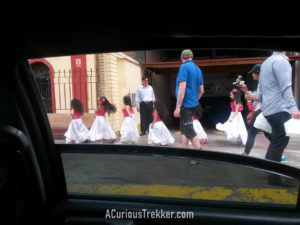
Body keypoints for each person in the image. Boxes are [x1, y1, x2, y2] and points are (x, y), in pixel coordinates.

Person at [258, 51, 300, 162]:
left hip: (269, 109)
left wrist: (263, 105)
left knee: (278, 139)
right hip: (279, 108)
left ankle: (268, 166)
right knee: (280, 140)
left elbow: (260, 88)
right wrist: (294, 108)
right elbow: (286, 86)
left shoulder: (266, 62)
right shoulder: (281, 61)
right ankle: (272, 173)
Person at [174, 49, 204, 149]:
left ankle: (202, 154)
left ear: (181, 58)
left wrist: (178, 107)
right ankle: (185, 153)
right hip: (193, 105)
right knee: (184, 130)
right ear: (192, 57)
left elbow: (182, 88)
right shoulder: (198, 69)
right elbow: (201, 90)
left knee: (190, 132)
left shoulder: (184, 67)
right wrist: (195, 101)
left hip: (185, 106)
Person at [242, 64, 272, 156]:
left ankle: (245, 153)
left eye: (253, 73)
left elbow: (264, 98)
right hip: (264, 110)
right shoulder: (263, 82)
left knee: (252, 132)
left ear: (257, 73)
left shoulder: (264, 83)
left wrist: (250, 97)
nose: (252, 75)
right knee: (267, 133)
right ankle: (279, 149)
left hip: (265, 110)